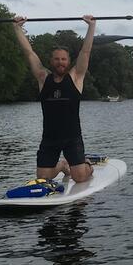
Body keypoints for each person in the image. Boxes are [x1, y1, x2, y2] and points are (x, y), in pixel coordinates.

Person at [13, 15, 96, 182]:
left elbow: (85, 52)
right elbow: (29, 52)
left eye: (64, 59)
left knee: (79, 177)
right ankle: (62, 166)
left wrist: (91, 26)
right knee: (42, 178)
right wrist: (17, 28)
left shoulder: (75, 77)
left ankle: (87, 165)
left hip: (72, 137)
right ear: (51, 61)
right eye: (57, 59)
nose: (60, 62)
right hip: (50, 138)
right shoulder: (43, 78)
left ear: (68, 61)